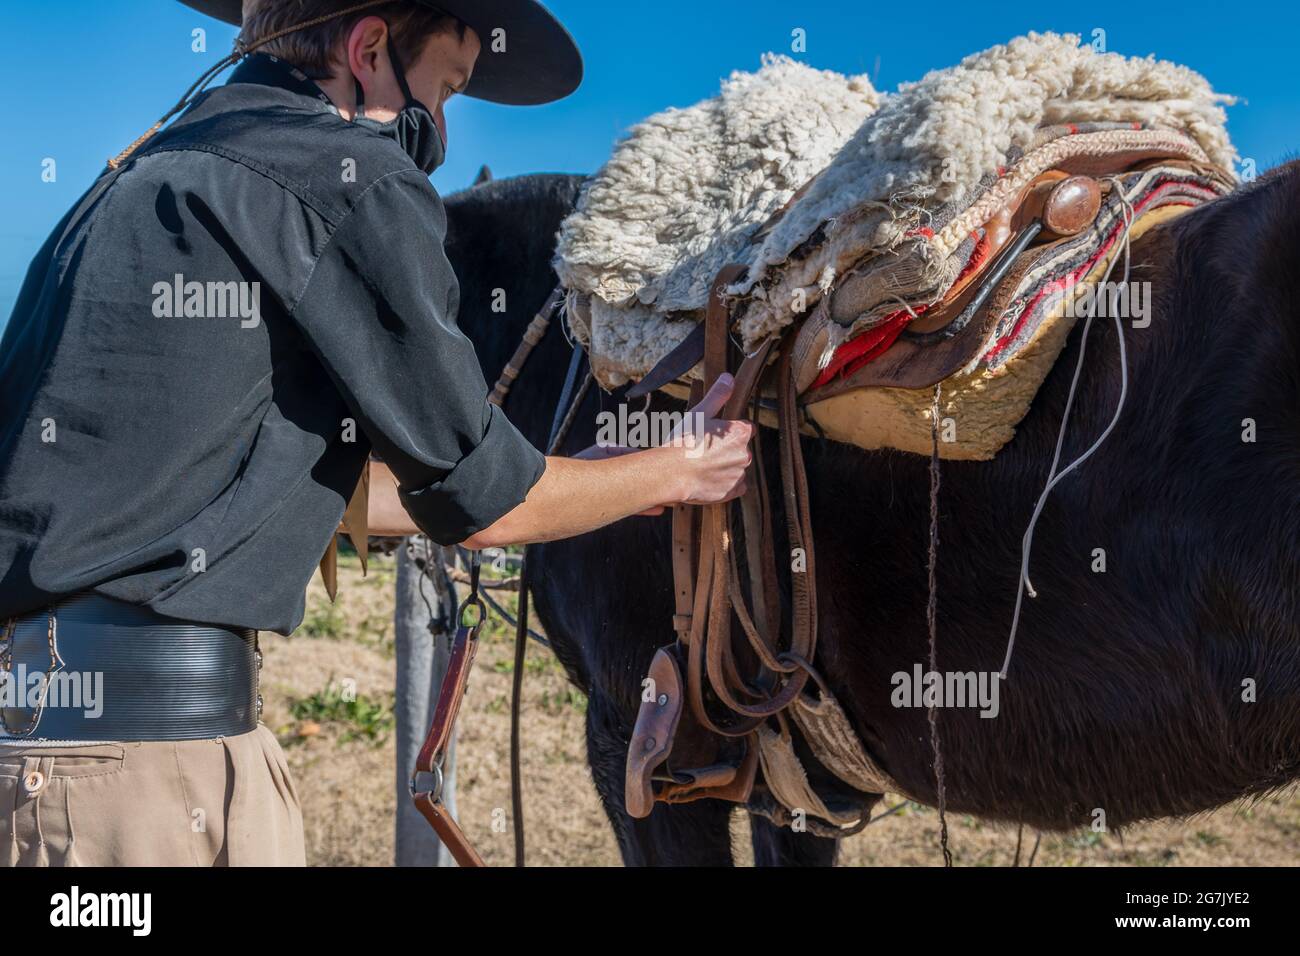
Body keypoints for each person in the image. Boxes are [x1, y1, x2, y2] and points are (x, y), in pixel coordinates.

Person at [0, 0, 752, 866]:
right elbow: (486, 504)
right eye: (446, 86)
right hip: (149, 783)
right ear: (367, 50)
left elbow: (229, 481)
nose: (443, 121)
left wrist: (588, 472)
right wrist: (678, 469)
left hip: (48, 754)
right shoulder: (348, 175)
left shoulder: (134, 176)